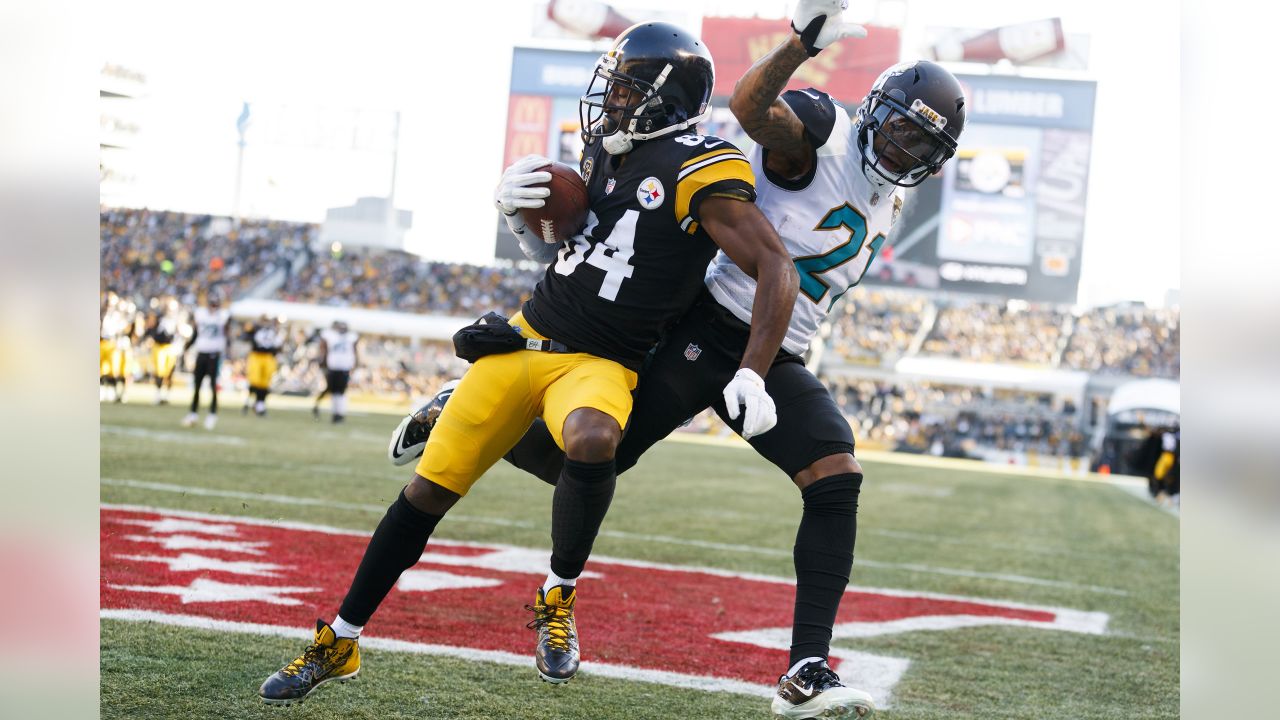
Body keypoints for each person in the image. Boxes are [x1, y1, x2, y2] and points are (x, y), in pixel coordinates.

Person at [390, 2, 967, 717]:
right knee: (575, 461)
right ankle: (466, 404)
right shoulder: (825, 131)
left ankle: (807, 668)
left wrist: (761, 367)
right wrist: (798, 45)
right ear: (879, 109)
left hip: (773, 344)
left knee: (835, 473)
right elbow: (756, 109)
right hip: (703, 322)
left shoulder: (890, 201)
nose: (907, 151)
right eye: (905, 130)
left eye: (923, 149)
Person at [258, 20, 797, 705]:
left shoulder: (705, 167)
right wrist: (519, 212)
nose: (612, 101)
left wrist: (752, 368)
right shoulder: (605, 150)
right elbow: (576, 254)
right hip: (524, 338)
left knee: (594, 439)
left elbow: (776, 263)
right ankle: (339, 640)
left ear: (667, 97)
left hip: (601, 362)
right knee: (427, 494)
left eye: (628, 88)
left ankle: (559, 597)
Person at [181, 288, 231, 430]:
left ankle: (212, 414)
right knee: (196, 385)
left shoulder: (223, 316)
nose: (213, 306)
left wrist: (228, 350)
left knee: (213, 386)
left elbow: (227, 333)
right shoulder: (201, 314)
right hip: (201, 353)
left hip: (214, 355)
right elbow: (196, 333)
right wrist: (187, 346)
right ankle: (193, 413)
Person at [314, 319, 358, 424]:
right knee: (333, 392)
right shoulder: (331, 336)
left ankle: (340, 413)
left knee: (341, 392)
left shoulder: (351, 337)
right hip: (333, 368)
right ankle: (335, 413)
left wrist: (356, 364)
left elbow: (355, 350)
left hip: (344, 368)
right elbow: (323, 345)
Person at [243, 314, 285, 417]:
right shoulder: (255, 328)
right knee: (254, 381)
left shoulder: (275, 330)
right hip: (256, 356)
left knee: (265, 382)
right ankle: (250, 402)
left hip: (268, 357)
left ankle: (260, 404)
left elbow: (278, 345)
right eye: (264, 320)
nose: (266, 322)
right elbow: (245, 335)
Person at [145, 299, 182, 405]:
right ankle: (158, 395)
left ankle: (167, 396)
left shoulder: (176, 319)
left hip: (170, 347)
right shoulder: (159, 318)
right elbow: (151, 329)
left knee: (170, 372)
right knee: (159, 372)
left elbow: (179, 334)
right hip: (159, 347)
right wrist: (149, 338)